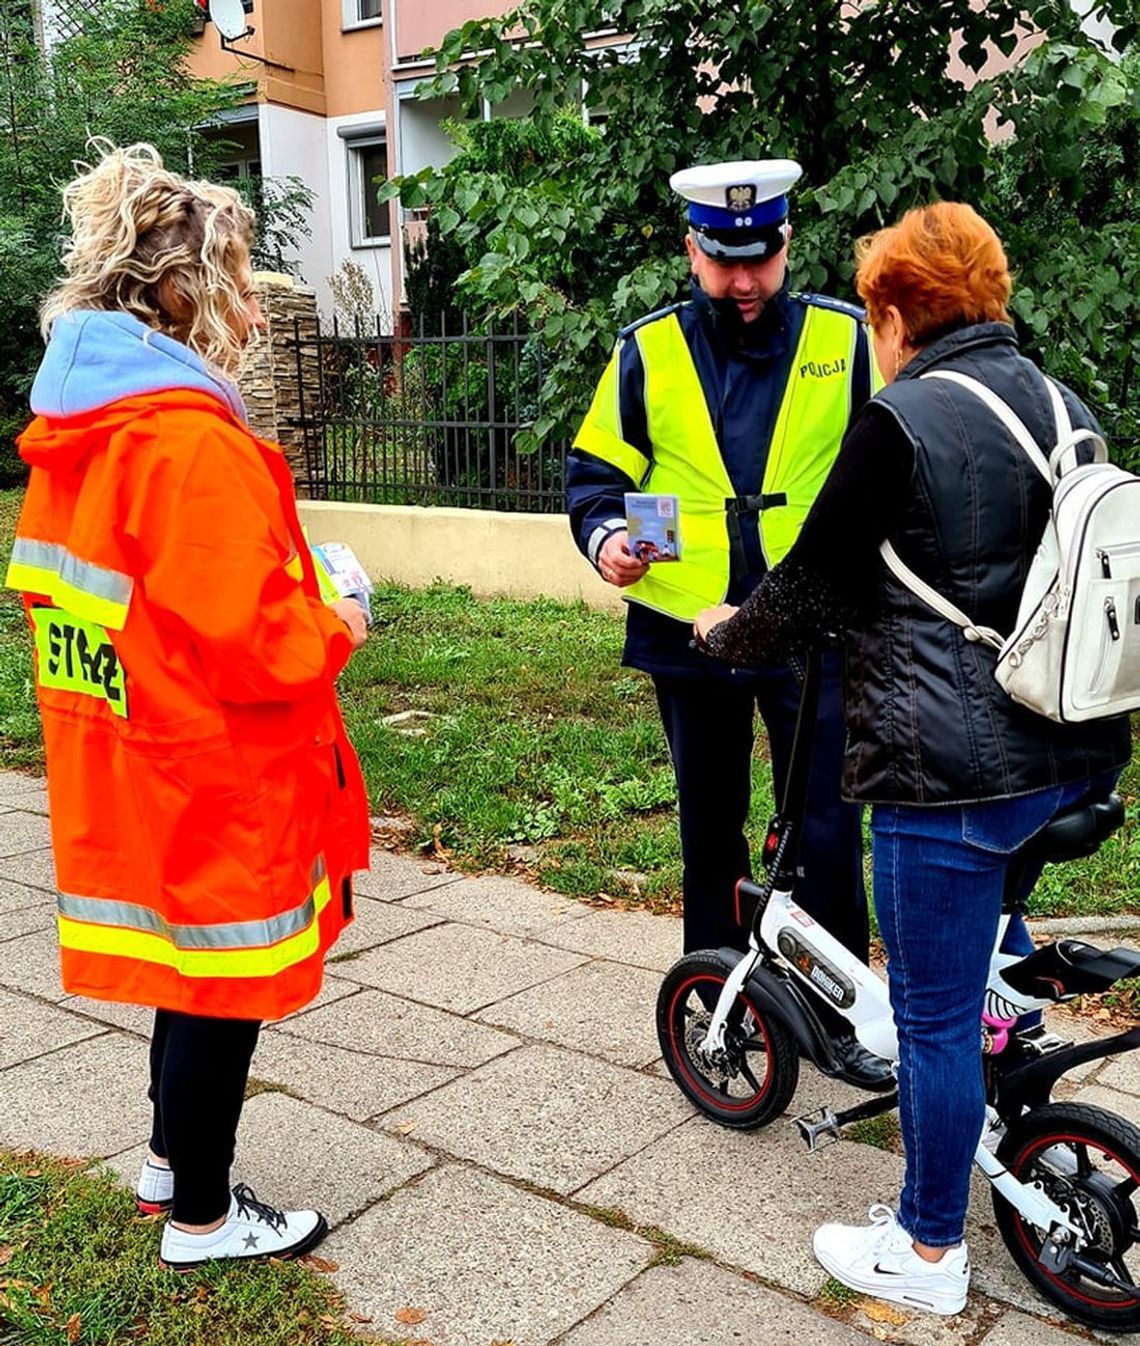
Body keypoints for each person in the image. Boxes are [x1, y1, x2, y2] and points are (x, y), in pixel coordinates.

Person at [695, 201, 1131, 1315]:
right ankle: (1003, 1022)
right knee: (975, 958)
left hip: (952, 775)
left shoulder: (900, 421)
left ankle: (928, 1246)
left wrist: (726, 633)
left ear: (892, 315)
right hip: (1072, 754)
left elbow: (807, 589)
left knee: (928, 1019)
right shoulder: (1064, 405)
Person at [5, 142, 372, 1270]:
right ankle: (203, 1218)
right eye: (238, 278)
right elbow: (261, 643)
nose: (251, 307)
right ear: (178, 291)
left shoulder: (87, 429)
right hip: (215, 761)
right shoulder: (184, 440)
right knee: (225, 980)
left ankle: (170, 1160)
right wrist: (341, 617)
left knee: (187, 966)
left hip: (130, 744)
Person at [567, 159, 890, 1089]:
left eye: (759, 259)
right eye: (722, 262)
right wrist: (608, 541)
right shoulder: (646, 351)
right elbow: (594, 478)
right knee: (710, 826)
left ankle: (839, 1009)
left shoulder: (848, 339)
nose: (743, 281)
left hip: (813, 627)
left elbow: (896, 459)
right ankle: (718, 999)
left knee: (826, 824)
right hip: (689, 632)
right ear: (691, 251)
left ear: (787, 244)